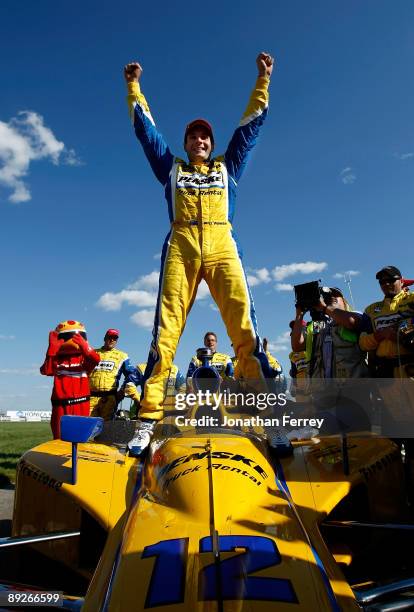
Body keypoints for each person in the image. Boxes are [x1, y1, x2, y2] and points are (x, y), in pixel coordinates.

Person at [124, 52, 275, 454]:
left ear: (211, 142)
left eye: (205, 136)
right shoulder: (171, 169)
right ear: (187, 142)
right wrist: (134, 88)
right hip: (181, 244)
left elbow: (250, 127)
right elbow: (147, 132)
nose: (200, 141)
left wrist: (263, 79)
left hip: (224, 244)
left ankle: (268, 421)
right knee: (166, 333)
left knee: (245, 331)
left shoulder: (230, 167)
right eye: (193, 136)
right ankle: (147, 421)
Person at [359, 266, 414, 433]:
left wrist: (402, 333)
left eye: (391, 280)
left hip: (411, 368)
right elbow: (363, 343)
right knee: (397, 425)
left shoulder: (412, 300)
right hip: (387, 374)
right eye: (382, 282)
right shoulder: (371, 310)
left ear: (401, 280)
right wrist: (380, 336)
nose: (386, 284)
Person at [40, 320, 100, 439]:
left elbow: (95, 360)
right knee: (59, 438)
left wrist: (85, 347)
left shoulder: (84, 359)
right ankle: (60, 457)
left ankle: (77, 457)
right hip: (61, 406)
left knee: (80, 438)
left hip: (81, 404)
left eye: (79, 336)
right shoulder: (56, 359)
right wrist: (51, 351)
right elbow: (46, 370)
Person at [89, 329, 138, 420]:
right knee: (87, 425)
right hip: (90, 397)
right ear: (105, 338)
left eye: (114, 338)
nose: (112, 340)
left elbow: (132, 375)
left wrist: (122, 390)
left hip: (109, 398)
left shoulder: (122, 356)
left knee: (107, 427)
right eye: (110, 337)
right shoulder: (93, 353)